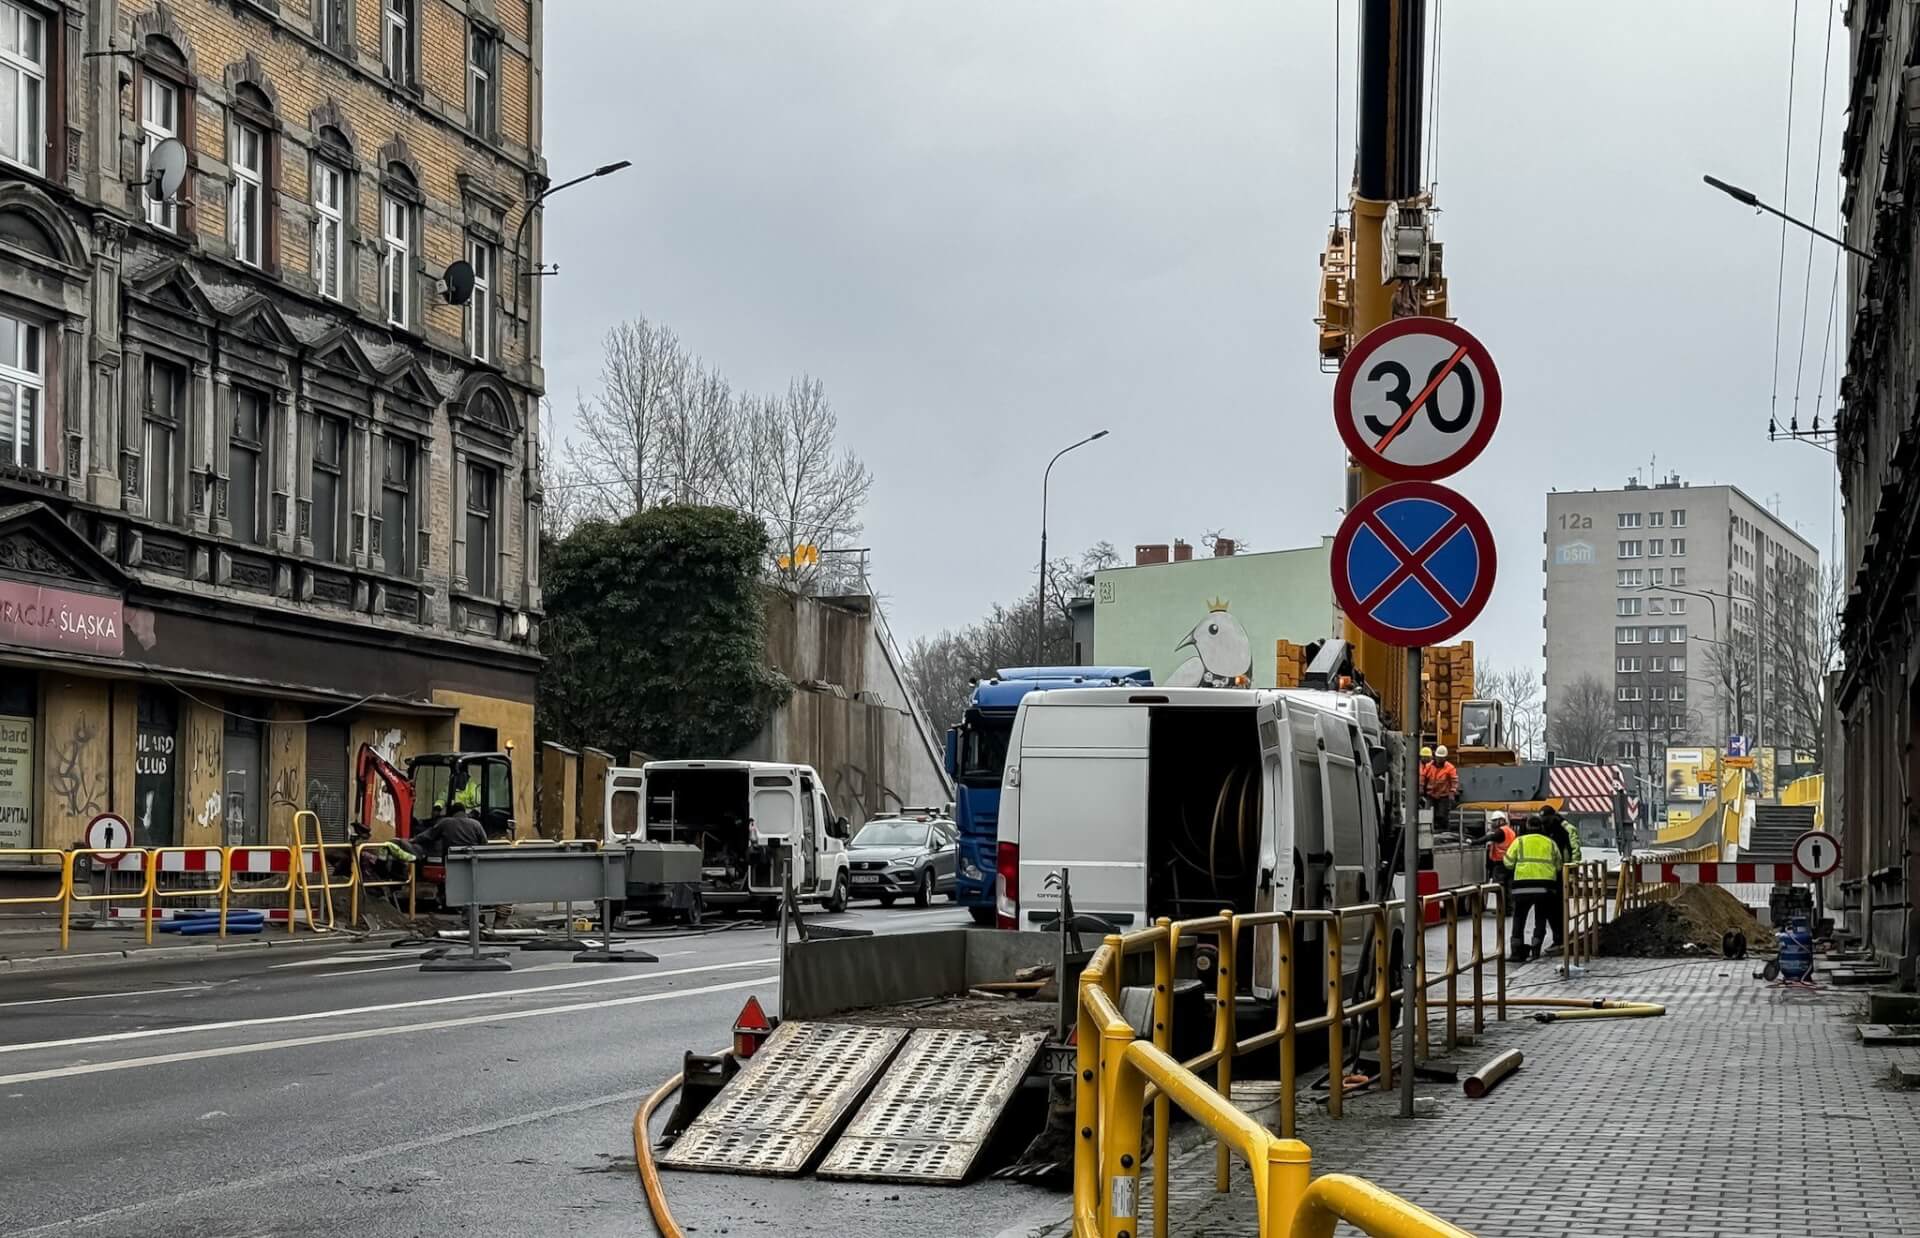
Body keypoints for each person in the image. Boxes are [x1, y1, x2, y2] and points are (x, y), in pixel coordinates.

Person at [1503, 816, 1565, 962]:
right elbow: (1558, 865)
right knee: (1540, 917)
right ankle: (1535, 950)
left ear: (1527, 826)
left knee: (1519, 917)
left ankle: (1516, 952)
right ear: (1541, 827)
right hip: (1545, 888)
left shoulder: (1519, 841)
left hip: (1522, 887)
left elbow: (1508, 862)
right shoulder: (1550, 843)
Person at [1427, 745, 1460, 830]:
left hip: (1443, 796)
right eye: (1438, 757)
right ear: (1435, 756)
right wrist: (1421, 787)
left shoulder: (1450, 767)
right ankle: (1431, 830)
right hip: (1431, 795)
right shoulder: (1429, 766)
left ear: (1445, 758)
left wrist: (1452, 792)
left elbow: (1454, 780)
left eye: (1442, 758)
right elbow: (1423, 776)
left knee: (1442, 816)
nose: (1440, 759)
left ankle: (1443, 832)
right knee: (1429, 815)